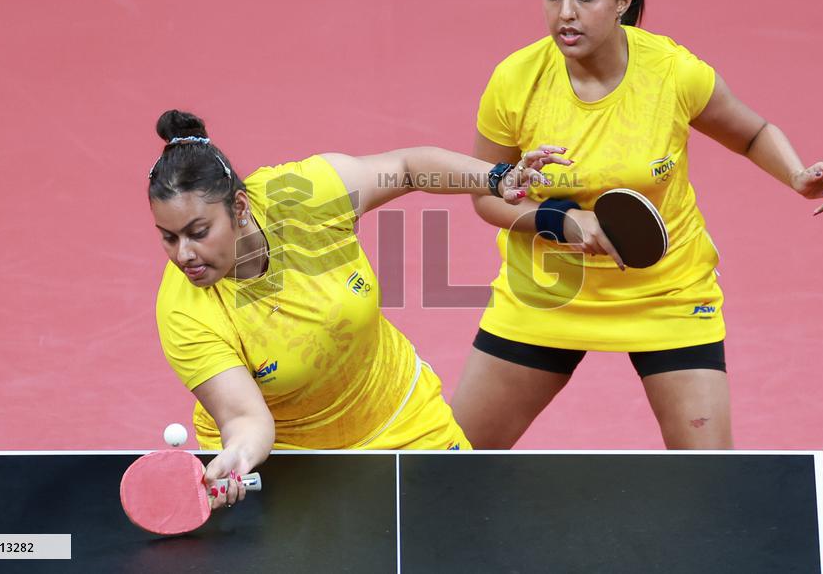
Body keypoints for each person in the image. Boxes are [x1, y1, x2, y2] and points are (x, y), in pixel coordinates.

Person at [450, 0, 823, 450]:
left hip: (667, 294)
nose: (565, 13)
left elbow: (752, 133)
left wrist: (797, 175)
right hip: (547, 294)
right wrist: (561, 220)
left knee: (709, 482)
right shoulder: (515, 81)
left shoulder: (672, 73)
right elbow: (485, 193)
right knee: (451, 465)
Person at [148, 109, 563, 508]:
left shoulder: (303, 196)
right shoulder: (185, 313)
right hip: (295, 461)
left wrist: (496, 177)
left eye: (198, 232)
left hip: (402, 416)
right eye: (168, 238)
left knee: (457, 536)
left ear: (240, 208)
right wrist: (236, 457)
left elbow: (406, 168)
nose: (183, 254)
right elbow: (245, 419)